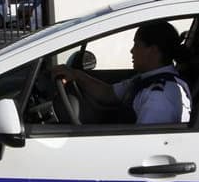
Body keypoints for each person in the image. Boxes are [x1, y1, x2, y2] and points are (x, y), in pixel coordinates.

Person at [52, 21, 191, 124]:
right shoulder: (145, 80)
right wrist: (76, 74)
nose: (132, 50)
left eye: (137, 45)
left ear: (153, 51)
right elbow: (109, 94)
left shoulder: (160, 96)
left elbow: (146, 142)